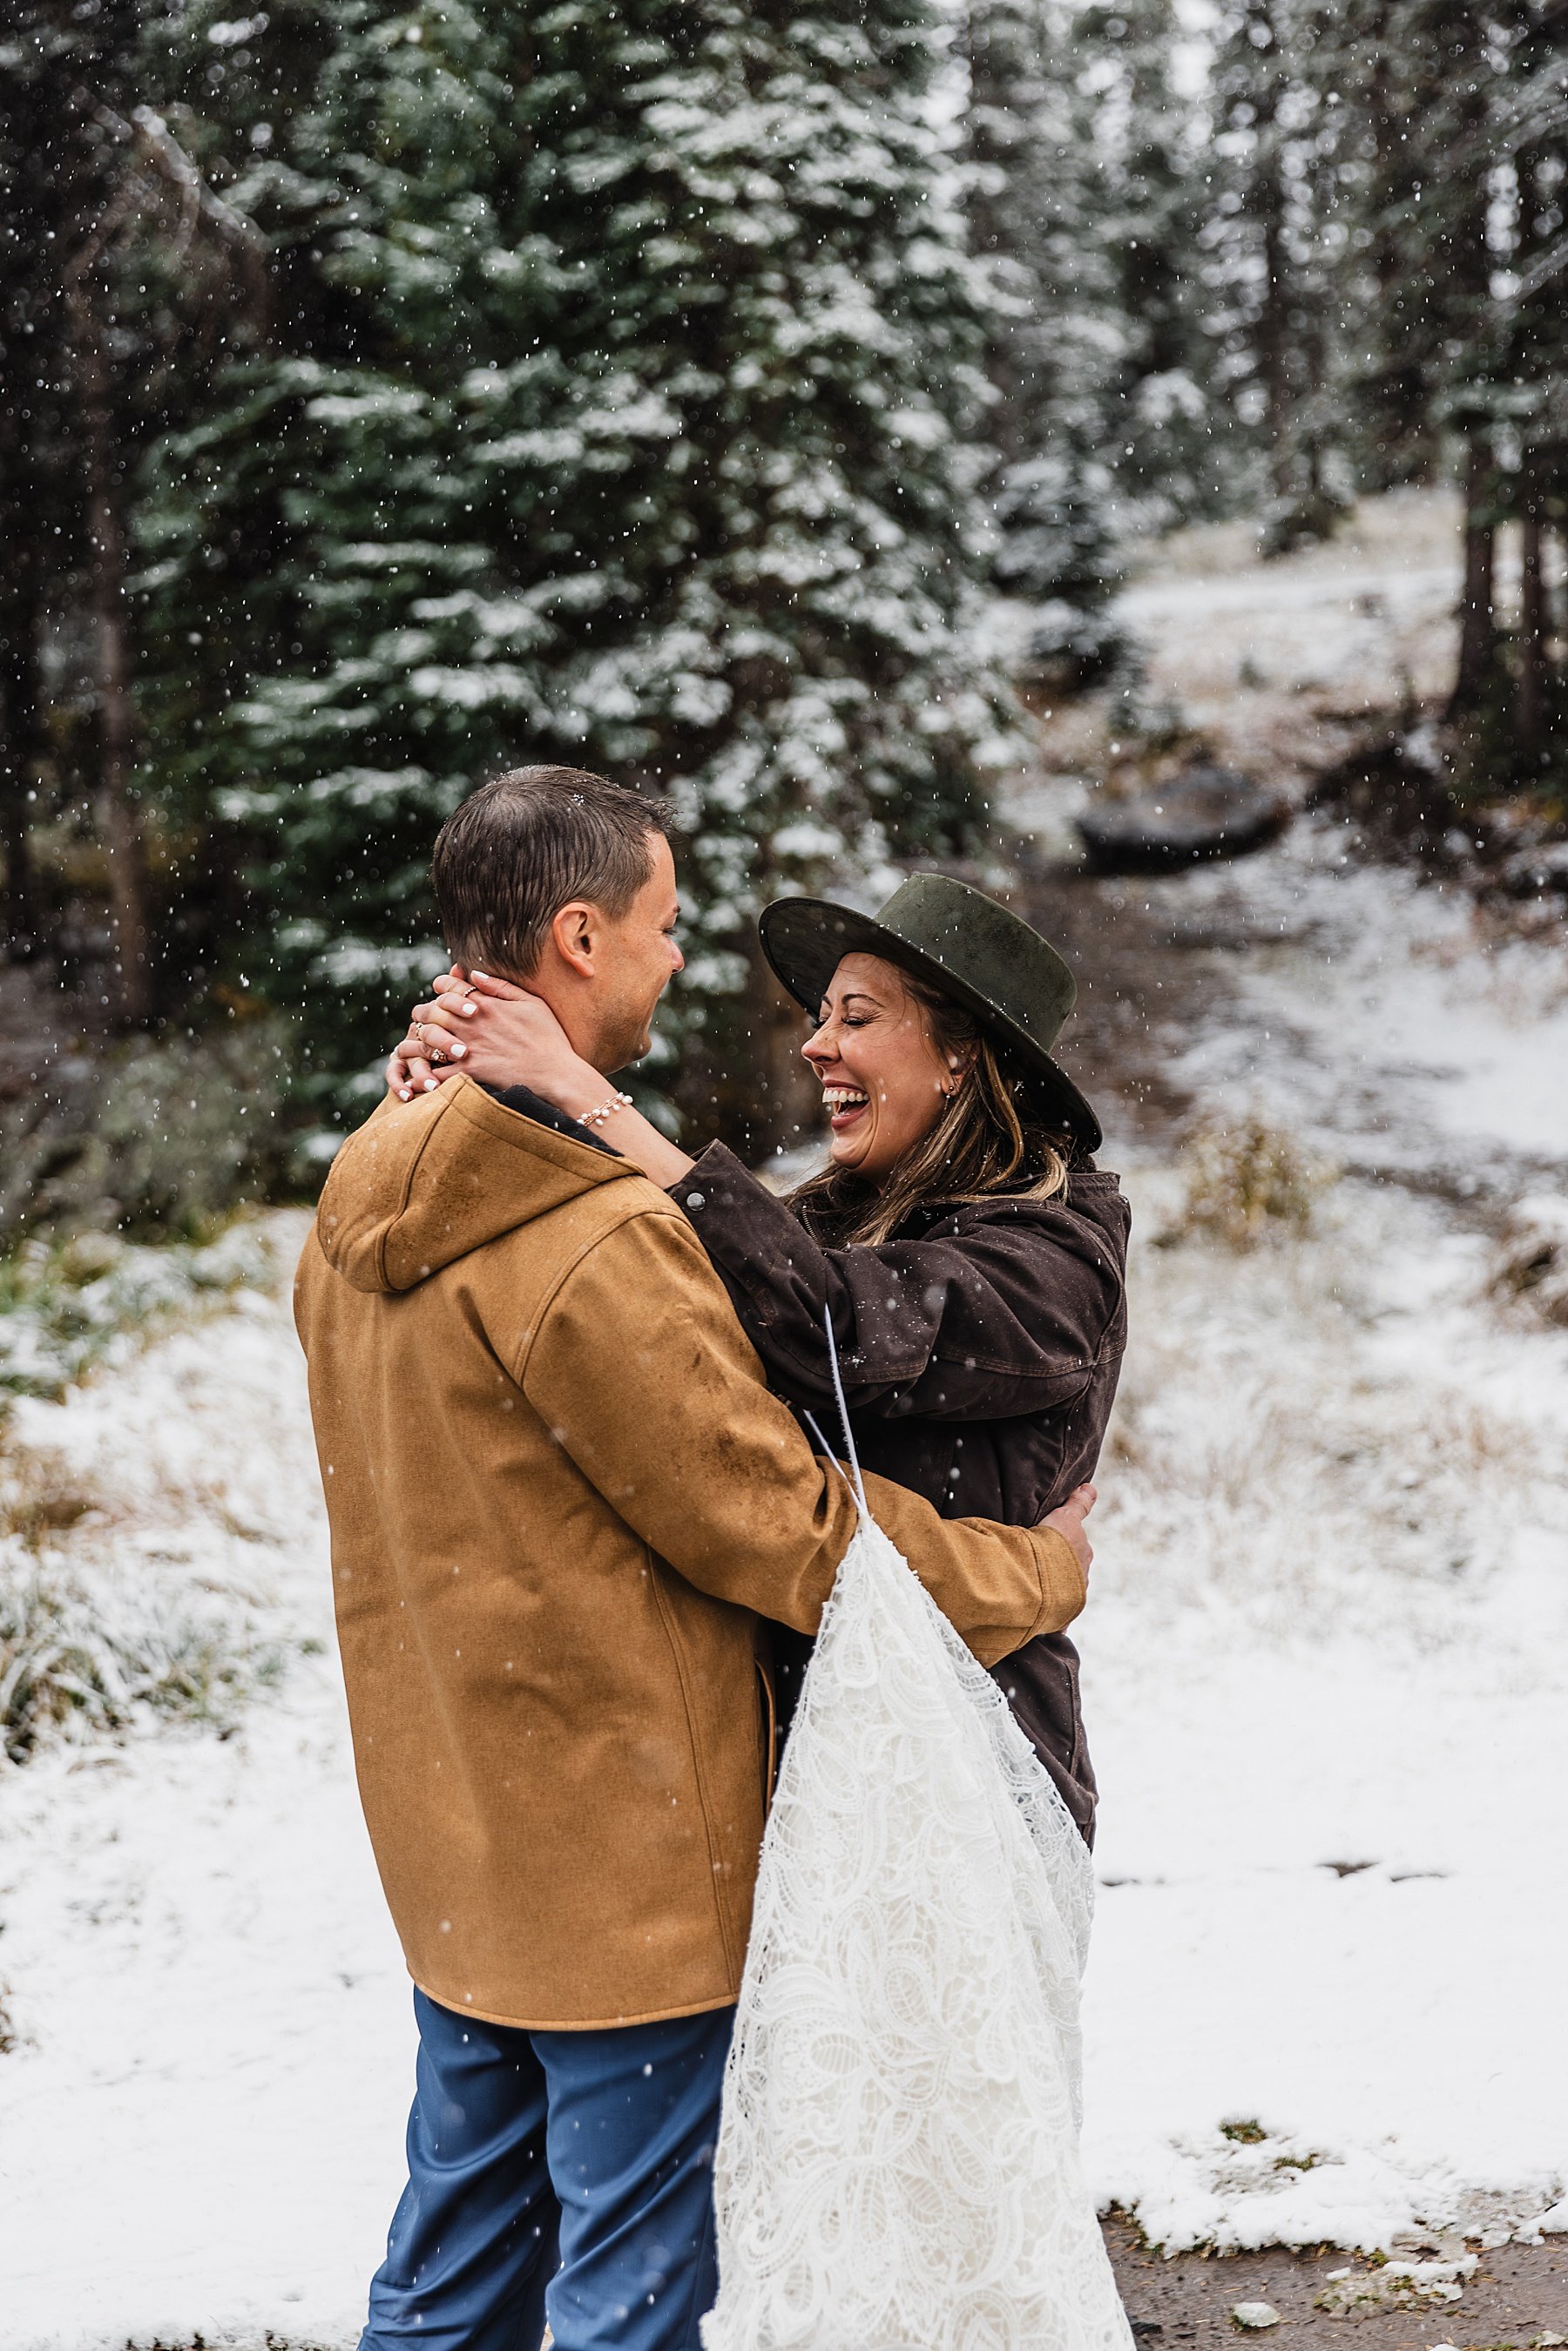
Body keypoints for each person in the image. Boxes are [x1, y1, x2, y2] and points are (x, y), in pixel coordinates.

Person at [299, 766, 1098, 2351]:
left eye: (858, 1014)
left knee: (449, 2275)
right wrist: (1039, 1573)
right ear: (581, 936)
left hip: (462, 1842)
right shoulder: (590, 1240)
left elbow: (818, 1304)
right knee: (631, 2295)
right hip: (633, 1871)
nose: (681, 964)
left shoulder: (359, 1188)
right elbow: (784, 1532)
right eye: (662, 928)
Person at [391, 857, 1126, 1845]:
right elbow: (678, 1290)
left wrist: (582, 1087)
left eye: (857, 1018)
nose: (816, 1045)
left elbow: (834, 1328)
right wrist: (475, 1062)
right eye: (823, 1015)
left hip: (967, 1782)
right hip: (812, 1768)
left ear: (962, 1054)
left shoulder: (1056, 1254)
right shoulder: (833, 1216)